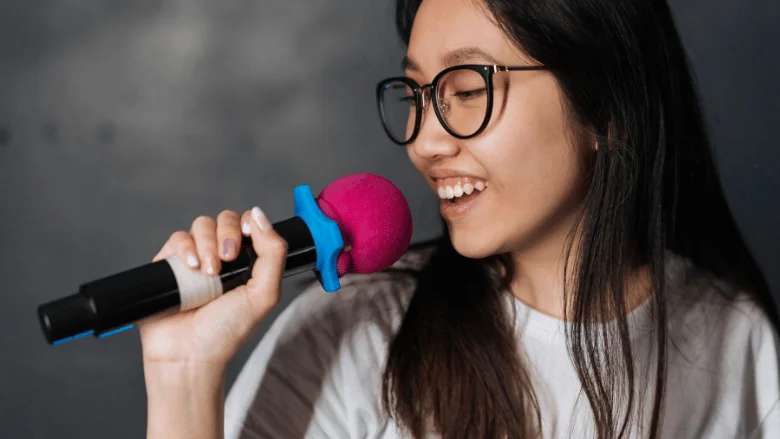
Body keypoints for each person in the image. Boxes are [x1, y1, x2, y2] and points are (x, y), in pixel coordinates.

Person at [139, 0, 780, 437]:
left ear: (606, 113)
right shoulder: (357, 332)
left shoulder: (737, 342)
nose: (425, 142)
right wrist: (182, 377)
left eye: (466, 91)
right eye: (419, 94)